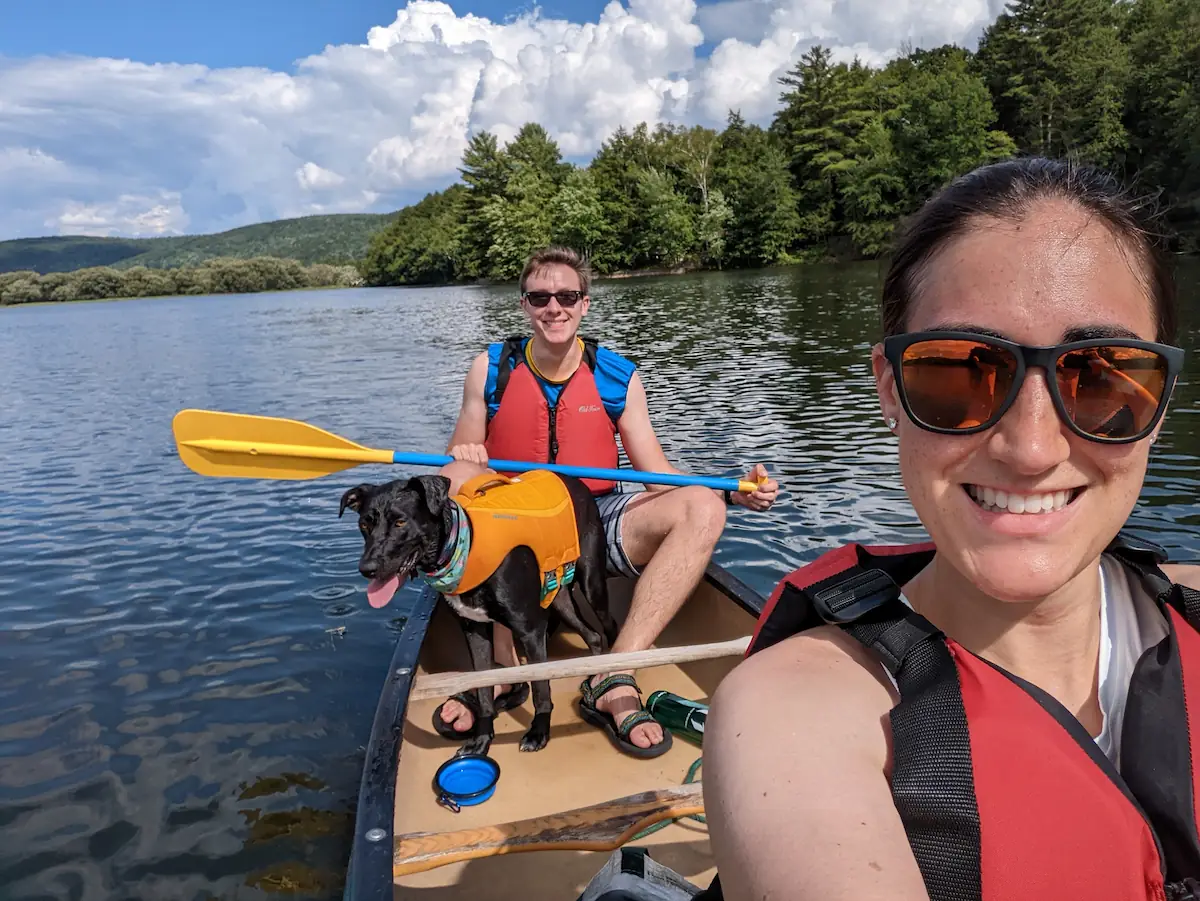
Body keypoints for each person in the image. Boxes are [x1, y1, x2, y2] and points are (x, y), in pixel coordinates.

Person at [699, 157, 1200, 901]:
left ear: (1160, 398)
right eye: (959, 372)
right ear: (888, 388)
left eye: (1099, 376)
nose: (1032, 450)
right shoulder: (794, 716)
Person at [435, 245, 779, 756]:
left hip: (593, 519)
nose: (554, 307)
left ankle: (613, 673)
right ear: (524, 305)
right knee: (455, 480)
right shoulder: (490, 369)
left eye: (567, 296)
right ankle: (508, 670)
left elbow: (657, 479)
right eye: (540, 297)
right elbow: (458, 466)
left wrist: (732, 491)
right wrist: (467, 453)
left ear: (585, 304)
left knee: (702, 507)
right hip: (516, 519)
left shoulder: (617, 375)